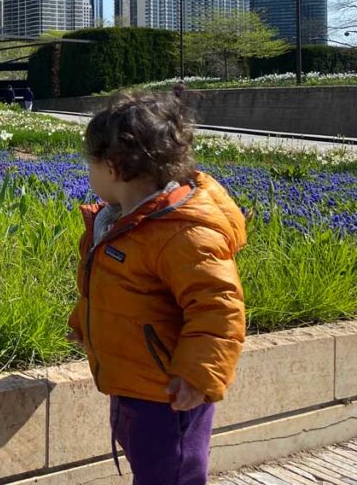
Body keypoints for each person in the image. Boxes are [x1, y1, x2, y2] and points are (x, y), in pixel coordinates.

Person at [67, 92, 246, 485]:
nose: (88, 173)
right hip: (132, 383)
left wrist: (199, 375)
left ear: (112, 167)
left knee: (173, 474)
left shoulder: (181, 231)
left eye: (90, 164)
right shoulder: (119, 221)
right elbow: (108, 290)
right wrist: (83, 323)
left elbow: (219, 307)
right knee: (149, 468)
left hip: (170, 394)